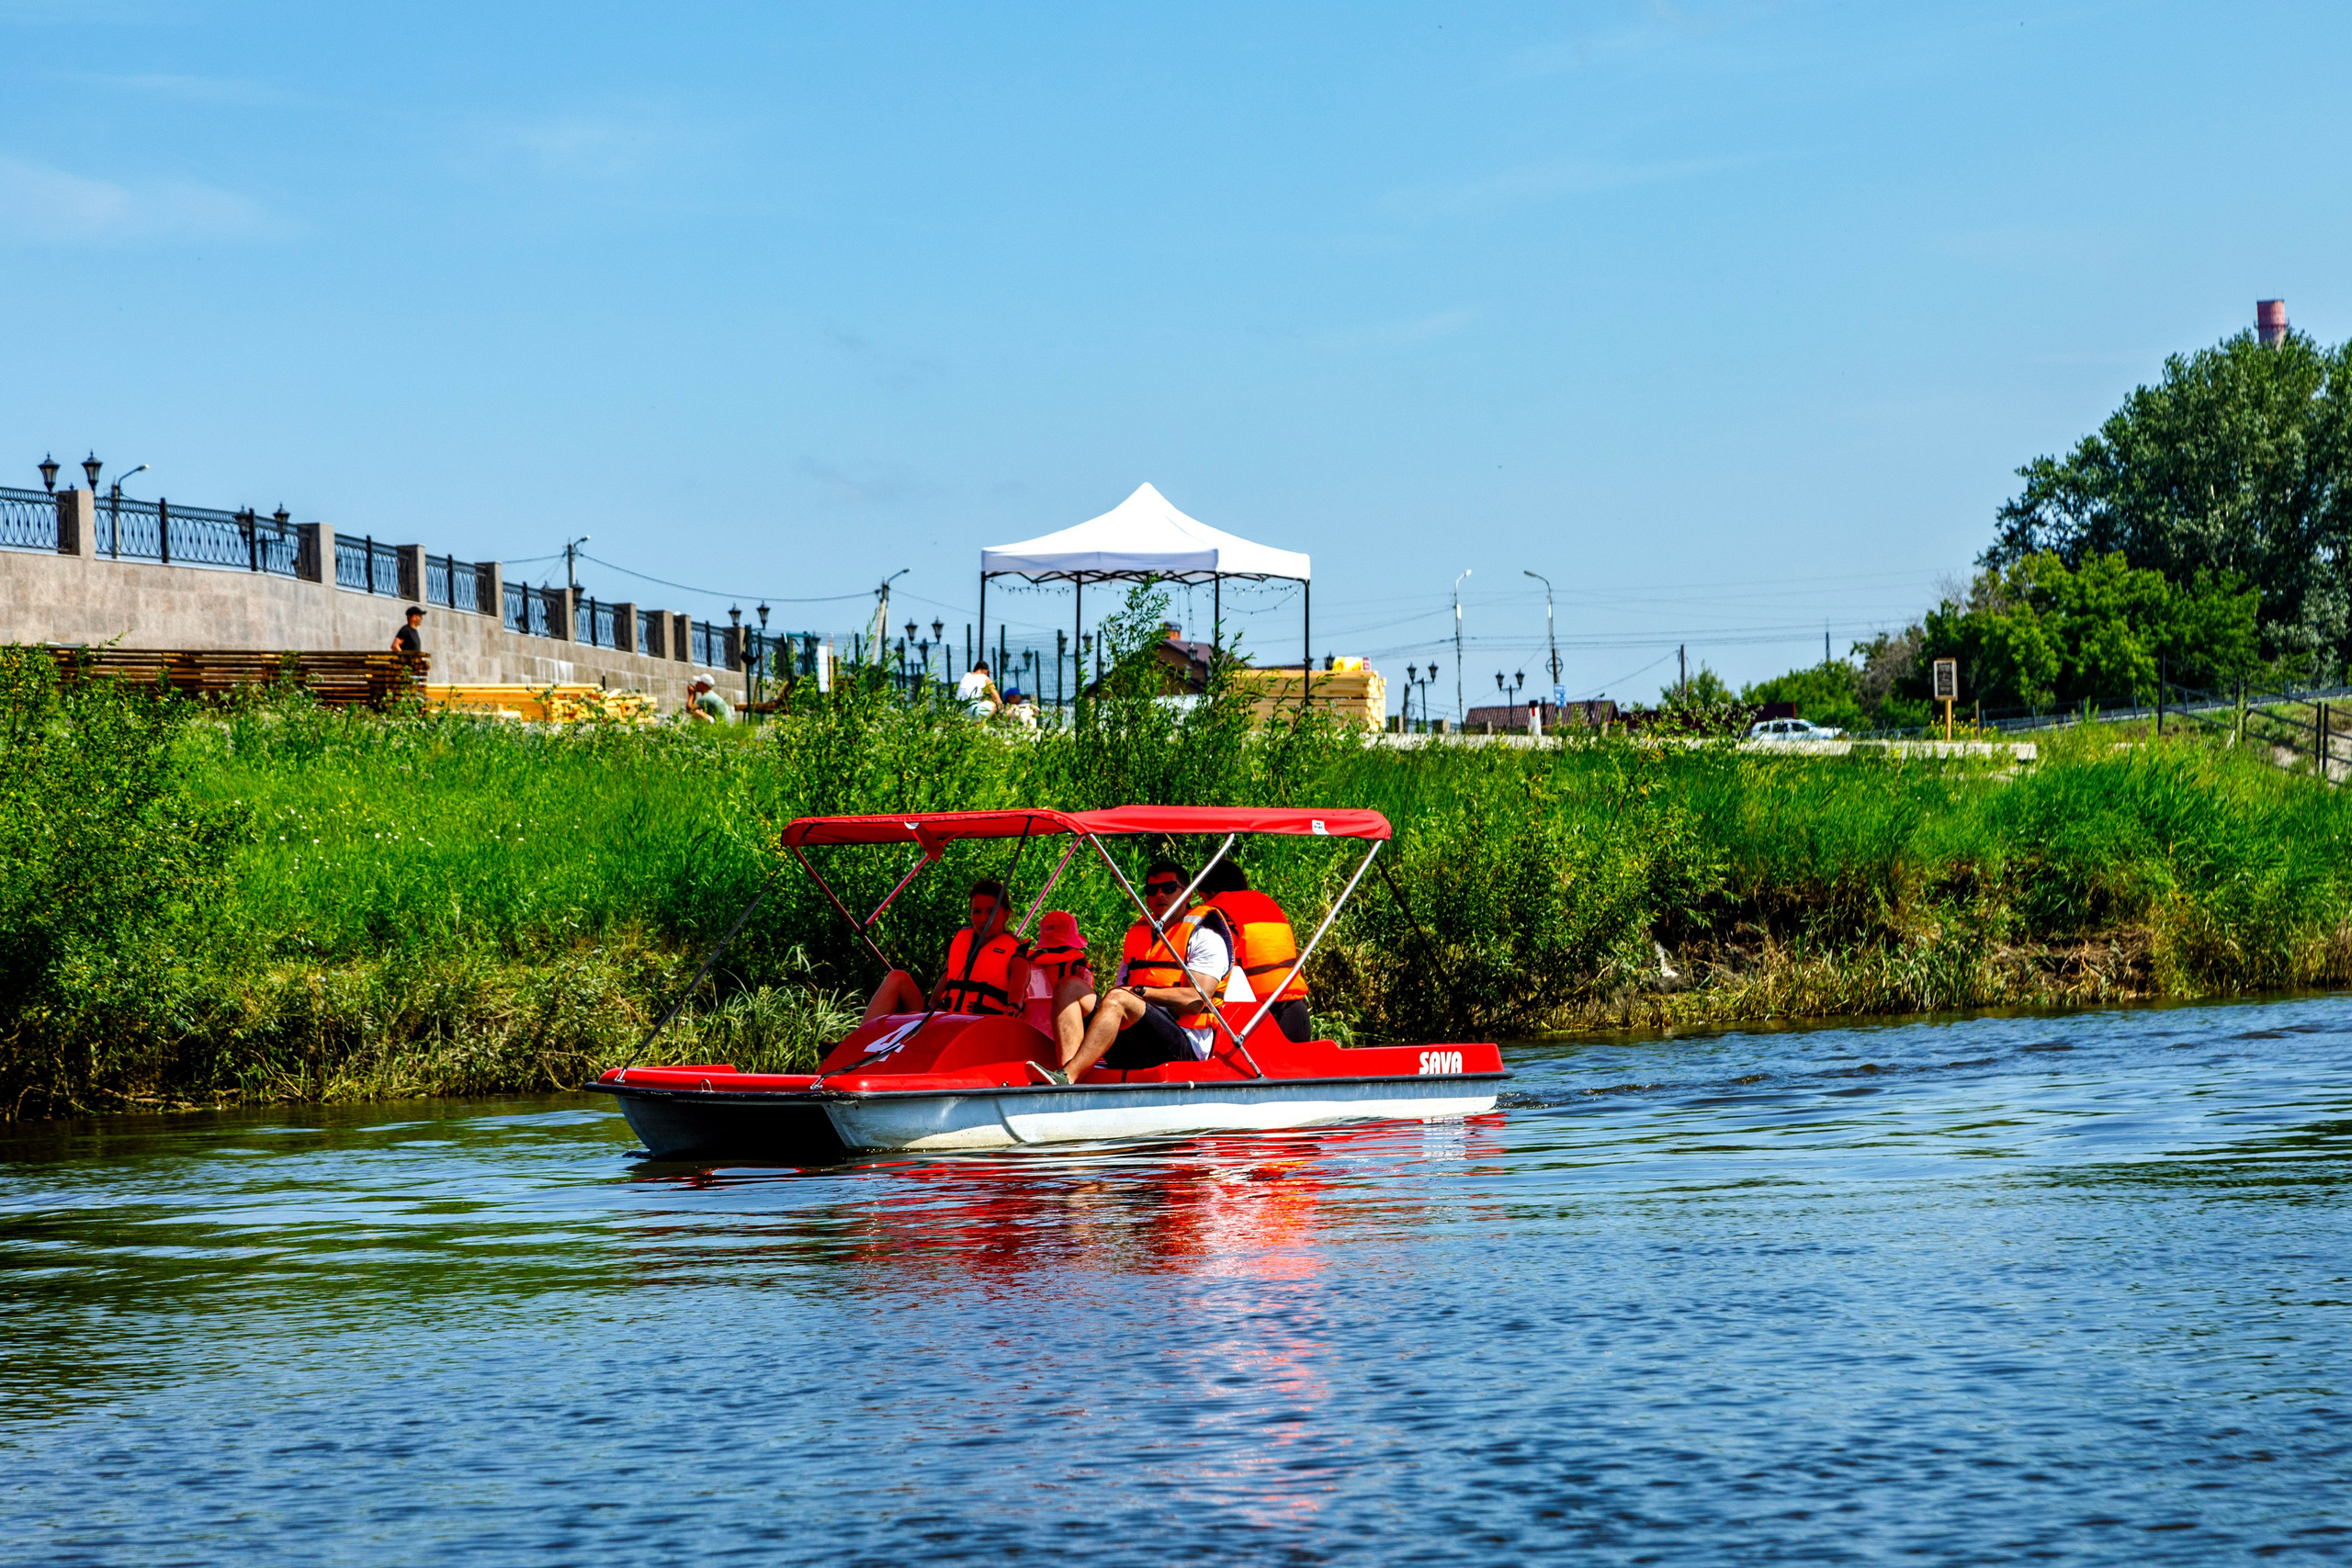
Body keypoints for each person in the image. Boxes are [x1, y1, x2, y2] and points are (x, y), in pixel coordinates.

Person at [1060, 863, 1243, 1079]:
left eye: (1168, 888)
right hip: (1141, 1037)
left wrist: (1139, 992)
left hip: (1185, 1044)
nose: (1159, 895)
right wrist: (1130, 995)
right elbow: (1122, 990)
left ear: (1187, 895)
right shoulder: (1138, 936)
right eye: (1151, 890)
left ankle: (1068, 1076)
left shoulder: (1205, 936)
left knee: (1120, 998)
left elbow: (1196, 1001)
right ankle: (1065, 1074)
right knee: (1069, 987)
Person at [863, 878, 1030, 1026]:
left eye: (991, 911)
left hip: (978, 1026)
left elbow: (1016, 998)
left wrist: (1014, 1007)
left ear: (1006, 914)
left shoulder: (1016, 954)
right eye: (976, 911)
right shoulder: (962, 943)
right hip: (944, 1021)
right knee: (897, 977)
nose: (983, 918)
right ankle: (855, 1044)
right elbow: (935, 999)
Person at [1197, 859, 1314, 1043]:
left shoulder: (1214, 912)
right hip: (1295, 1012)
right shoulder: (1267, 904)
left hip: (1254, 1020)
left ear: (1211, 892)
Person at [1022, 909, 1096, 1058]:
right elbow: (1089, 1002)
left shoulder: (1028, 959)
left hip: (1032, 1029)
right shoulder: (1078, 963)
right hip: (1065, 1033)